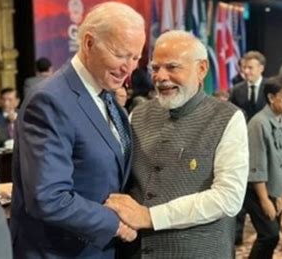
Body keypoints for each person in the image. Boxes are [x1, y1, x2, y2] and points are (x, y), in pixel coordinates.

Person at [10, 2, 145, 258]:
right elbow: (48, 198)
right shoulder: (50, 100)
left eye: (136, 57)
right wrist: (114, 223)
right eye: (120, 54)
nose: (129, 68)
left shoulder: (107, 96)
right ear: (89, 43)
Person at [105, 30, 248, 258]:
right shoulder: (137, 115)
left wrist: (150, 217)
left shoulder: (228, 118)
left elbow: (228, 197)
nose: (160, 76)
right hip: (135, 249)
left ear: (201, 69)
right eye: (155, 68)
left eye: (172, 67)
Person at [245, 76, 282, 258]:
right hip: (256, 190)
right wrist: (265, 200)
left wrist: (279, 194)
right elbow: (256, 166)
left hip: (273, 188)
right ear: (271, 97)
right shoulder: (258, 123)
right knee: (269, 235)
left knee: (271, 237)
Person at [229, 51, 268, 121]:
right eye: (244, 67)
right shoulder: (236, 90)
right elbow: (230, 113)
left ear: (261, 69)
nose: (246, 71)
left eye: (250, 68)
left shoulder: (270, 87)